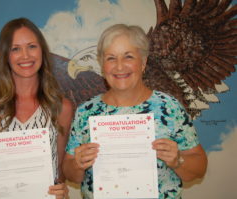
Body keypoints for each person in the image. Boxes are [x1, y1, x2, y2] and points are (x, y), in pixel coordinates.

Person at [63, 24, 208, 199]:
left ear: (143, 62)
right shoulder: (86, 111)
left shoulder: (169, 107)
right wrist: (78, 164)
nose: (119, 66)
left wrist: (178, 161)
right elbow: (71, 173)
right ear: (102, 65)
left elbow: (199, 168)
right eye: (111, 58)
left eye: (128, 56)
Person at [0, 17, 73, 199]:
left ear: (42, 51)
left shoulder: (61, 107)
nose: (25, 56)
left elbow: (58, 168)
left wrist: (61, 190)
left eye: (32, 46)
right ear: (6, 55)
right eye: (15, 49)